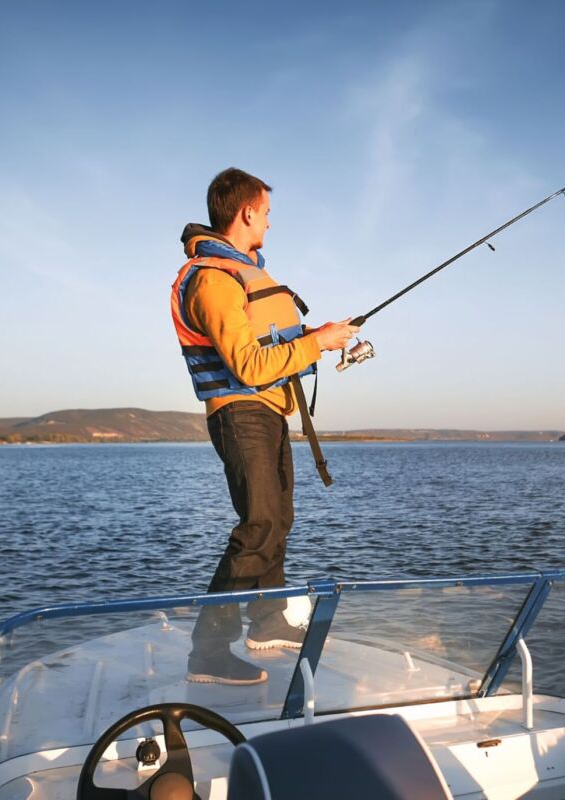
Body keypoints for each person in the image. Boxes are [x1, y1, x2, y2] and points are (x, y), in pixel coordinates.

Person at [170, 168, 358, 685]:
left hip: (269, 411)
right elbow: (248, 366)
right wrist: (317, 343)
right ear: (247, 211)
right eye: (267, 213)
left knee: (277, 517)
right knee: (257, 522)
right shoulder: (212, 279)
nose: (270, 224)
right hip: (240, 411)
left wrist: (318, 335)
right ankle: (207, 651)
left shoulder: (240, 271)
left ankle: (268, 619)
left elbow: (268, 352)